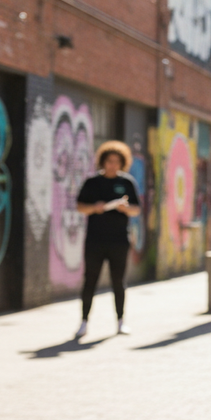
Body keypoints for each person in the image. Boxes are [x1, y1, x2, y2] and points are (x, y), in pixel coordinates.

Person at [74, 140, 142, 339]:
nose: (112, 165)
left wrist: (124, 209)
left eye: (116, 161)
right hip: (94, 241)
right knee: (90, 281)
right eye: (109, 161)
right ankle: (84, 322)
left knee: (118, 282)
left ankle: (121, 321)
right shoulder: (92, 182)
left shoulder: (127, 182)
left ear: (122, 163)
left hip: (119, 241)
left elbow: (136, 209)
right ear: (102, 161)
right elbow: (80, 206)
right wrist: (94, 208)